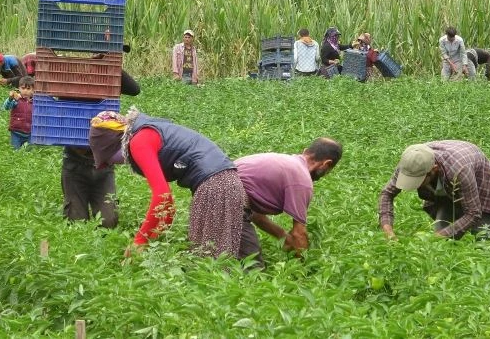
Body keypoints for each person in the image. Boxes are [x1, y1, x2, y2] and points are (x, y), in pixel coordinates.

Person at [88, 108, 246, 259]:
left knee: (207, 259)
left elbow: (162, 196)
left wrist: (139, 242)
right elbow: (168, 206)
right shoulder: (147, 131)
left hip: (215, 185)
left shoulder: (139, 141)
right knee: (216, 252)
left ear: (114, 145)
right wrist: (156, 239)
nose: (115, 163)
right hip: (227, 181)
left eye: (109, 159)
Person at [235, 138, 343, 267]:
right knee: (253, 268)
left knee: (216, 255)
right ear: (326, 164)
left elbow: (254, 214)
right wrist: (303, 268)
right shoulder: (301, 180)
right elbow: (299, 234)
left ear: (306, 151)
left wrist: (283, 236)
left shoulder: (285, 162)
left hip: (211, 187)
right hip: (226, 198)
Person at [60, 69, 140, 229]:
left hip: (103, 167)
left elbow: (134, 89)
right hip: (74, 164)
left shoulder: (108, 79)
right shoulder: (70, 81)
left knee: (108, 221)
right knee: (76, 223)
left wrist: (111, 64)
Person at [379, 141, 490, 240]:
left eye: (419, 180)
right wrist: (388, 230)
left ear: (433, 170)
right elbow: (387, 194)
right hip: (448, 187)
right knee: (444, 235)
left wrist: (436, 238)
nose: (414, 185)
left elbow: (473, 212)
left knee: (485, 239)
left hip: (484, 187)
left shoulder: (459, 170)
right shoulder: (411, 163)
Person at [0, 76, 34, 149]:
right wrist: (10, 99)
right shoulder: (16, 99)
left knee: (29, 153)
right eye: (23, 88)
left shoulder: (35, 102)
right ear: (19, 88)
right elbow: (6, 107)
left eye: (28, 89)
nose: (25, 91)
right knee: (15, 151)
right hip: (16, 132)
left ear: (33, 90)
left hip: (30, 133)